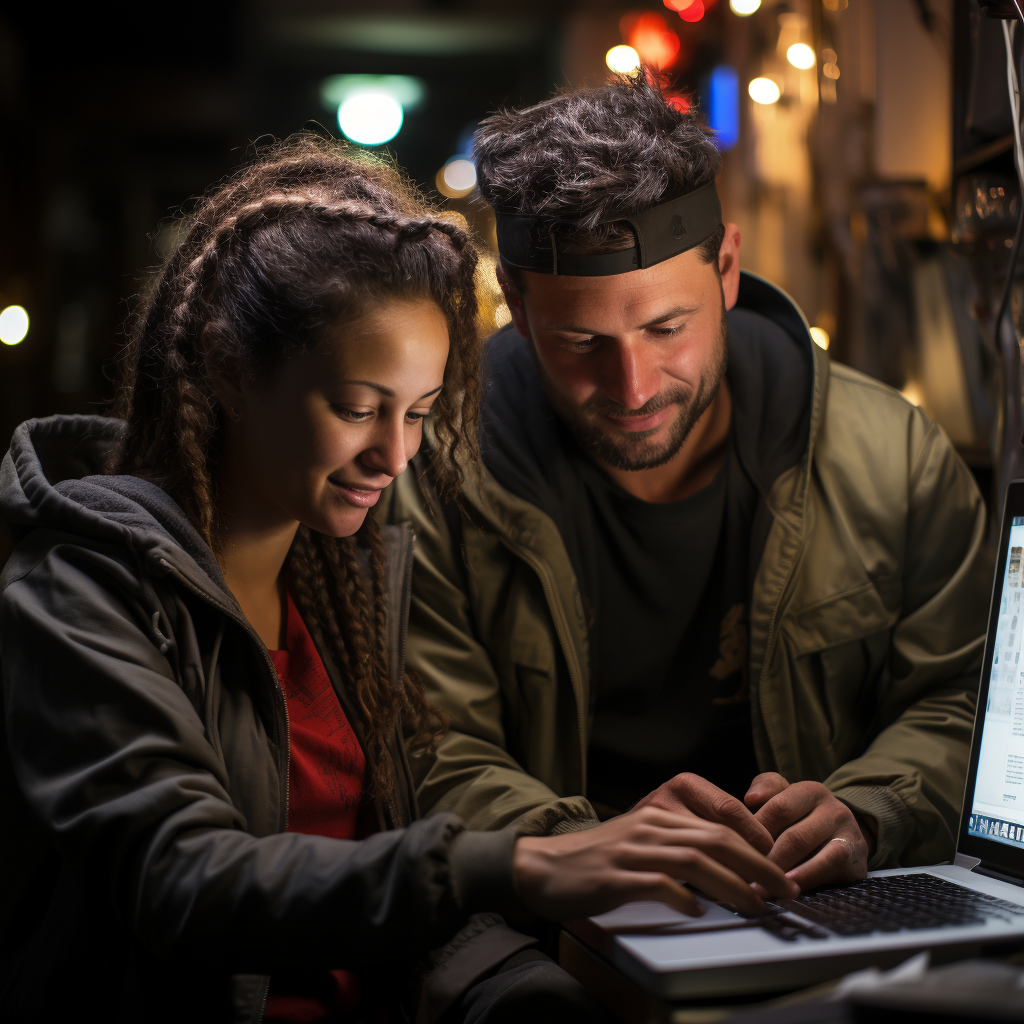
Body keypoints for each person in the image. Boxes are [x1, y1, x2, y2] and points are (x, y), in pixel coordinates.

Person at [0, 135, 799, 1024]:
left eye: (419, 413)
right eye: (357, 408)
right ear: (229, 367)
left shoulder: (346, 588)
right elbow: (184, 882)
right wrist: (525, 863)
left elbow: (397, 905)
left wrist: (528, 994)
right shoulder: (79, 589)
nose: (395, 455)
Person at [384, 74, 990, 892]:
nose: (633, 387)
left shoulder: (896, 460)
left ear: (728, 268)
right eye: (579, 342)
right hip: (560, 922)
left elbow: (966, 701)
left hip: (821, 903)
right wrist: (583, 851)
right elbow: (429, 747)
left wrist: (872, 809)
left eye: (667, 328)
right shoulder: (430, 477)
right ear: (519, 313)